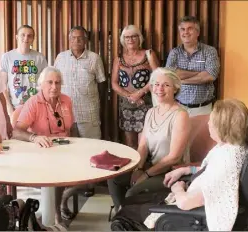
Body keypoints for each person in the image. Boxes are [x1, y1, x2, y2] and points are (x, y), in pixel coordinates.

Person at [142, 99, 248, 231]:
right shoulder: (237, 146)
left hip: (191, 218)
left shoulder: (226, 161)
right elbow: (210, 170)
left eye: (212, 121)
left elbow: (186, 203)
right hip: (193, 199)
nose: (208, 124)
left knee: (128, 212)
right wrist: (186, 170)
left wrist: (177, 188)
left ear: (223, 127)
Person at [108, 68, 190, 214]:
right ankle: (123, 217)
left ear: (175, 88)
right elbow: (143, 146)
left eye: (166, 85)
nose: (160, 89)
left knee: (132, 193)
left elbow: (174, 157)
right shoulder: (151, 111)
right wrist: (138, 169)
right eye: (156, 84)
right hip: (149, 166)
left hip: (171, 173)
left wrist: (146, 175)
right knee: (114, 178)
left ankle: (128, 219)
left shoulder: (181, 115)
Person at [13, 67, 78, 225]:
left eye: (57, 83)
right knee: (57, 175)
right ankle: (55, 212)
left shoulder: (66, 100)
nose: (54, 87)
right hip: (43, 152)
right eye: (50, 82)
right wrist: (34, 137)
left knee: (88, 178)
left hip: (65, 149)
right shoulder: (33, 103)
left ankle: (59, 202)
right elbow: (16, 132)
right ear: (41, 84)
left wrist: (80, 148)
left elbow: (72, 127)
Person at [54, 25, 107, 197]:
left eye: (80, 38)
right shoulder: (61, 58)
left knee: (91, 151)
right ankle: (72, 185)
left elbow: (102, 84)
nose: (76, 41)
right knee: (70, 151)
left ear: (86, 40)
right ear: (69, 40)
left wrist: (101, 109)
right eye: (73, 38)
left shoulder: (94, 58)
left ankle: (90, 185)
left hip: (88, 112)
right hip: (65, 114)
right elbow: (54, 82)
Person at [111, 25, 159, 149]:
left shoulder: (149, 54)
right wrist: (130, 96)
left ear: (140, 38)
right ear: (123, 40)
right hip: (126, 104)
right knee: (130, 142)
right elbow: (114, 83)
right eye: (127, 37)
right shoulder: (119, 59)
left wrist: (140, 93)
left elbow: (158, 77)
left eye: (134, 36)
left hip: (145, 103)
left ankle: (141, 167)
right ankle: (133, 167)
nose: (130, 39)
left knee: (144, 142)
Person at [165, 16, 220, 117]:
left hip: (203, 108)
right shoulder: (174, 52)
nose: (185, 32)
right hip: (179, 107)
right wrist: (199, 73)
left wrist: (182, 80)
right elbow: (170, 75)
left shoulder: (209, 51)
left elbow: (210, 76)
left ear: (198, 32)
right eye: (182, 29)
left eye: (190, 28)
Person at [0, 25, 48, 126]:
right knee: (17, 138)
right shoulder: (7, 57)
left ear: (33, 39)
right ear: (17, 37)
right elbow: (3, 84)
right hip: (15, 106)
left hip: (35, 106)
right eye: (23, 35)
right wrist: (8, 106)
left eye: (29, 36)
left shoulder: (40, 58)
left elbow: (45, 84)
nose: (26, 38)